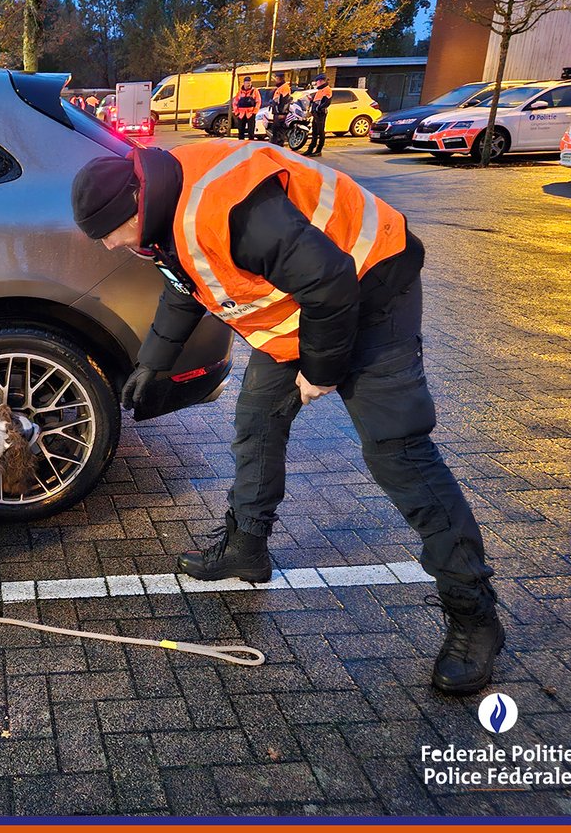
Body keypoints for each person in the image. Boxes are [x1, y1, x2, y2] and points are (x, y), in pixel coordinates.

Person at [69, 141, 504, 695]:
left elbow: (330, 280)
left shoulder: (227, 207)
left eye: (111, 233)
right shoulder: (162, 212)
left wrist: (320, 370)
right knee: (256, 420)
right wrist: (153, 364)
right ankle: (246, 547)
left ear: (135, 204)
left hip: (373, 285)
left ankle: (474, 615)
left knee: (399, 454)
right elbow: (186, 285)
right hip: (309, 307)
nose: (110, 245)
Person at [304, 73, 332, 157]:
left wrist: (318, 108)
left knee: (320, 132)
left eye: (318, 81)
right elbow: (316, 101)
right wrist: (311, 101)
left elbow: (327, 102)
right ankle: (310, 149)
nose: (317, 83)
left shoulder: (327, 89)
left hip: (320, 114)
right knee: (314, 132)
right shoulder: (320, 90)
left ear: (322, 81)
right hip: (316, 114)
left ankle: (318, 150)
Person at [268, 71, 293, 146]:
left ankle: (279, 149)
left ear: (279, 78)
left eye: (276, 78)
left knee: (279, 133)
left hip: (280, 114)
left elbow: (285, 101)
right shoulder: (280, 87)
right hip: (277, 113)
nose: (275, 79)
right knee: (276, 132)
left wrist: (282, 113)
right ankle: (276, 147)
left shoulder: (284, 87)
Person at [232, 76, 261, 141]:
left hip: (250, 113)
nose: (249, 84)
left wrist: (254, 112)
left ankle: (251, 144)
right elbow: (235, 102)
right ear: (244, 83)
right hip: (241, 114)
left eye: (250, 82)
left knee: (251, 132)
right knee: (240, 131)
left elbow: (258, 102)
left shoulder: (255, 91)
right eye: (247, 82)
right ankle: (241, 145)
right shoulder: (240, 92)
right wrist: (237, 112)